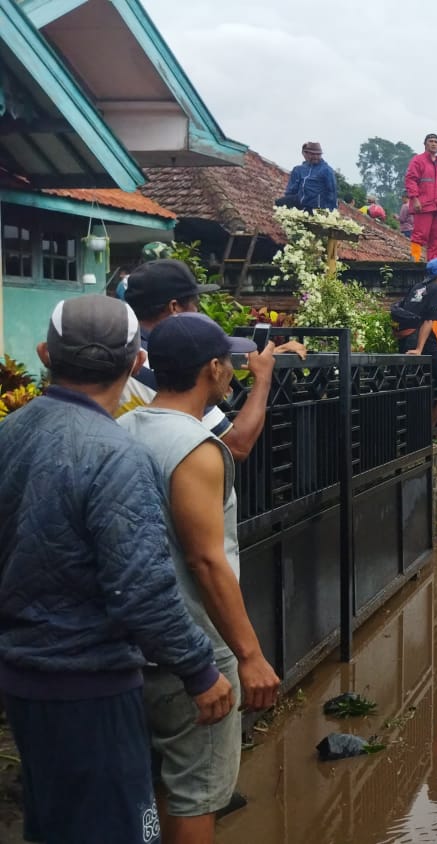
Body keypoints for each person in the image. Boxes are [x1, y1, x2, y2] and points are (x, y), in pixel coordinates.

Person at [0, 296, 233, 844]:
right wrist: (200, 669)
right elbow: (141, 591)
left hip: (22, 679)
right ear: (135, 365)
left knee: (56, 823)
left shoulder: (11, 433)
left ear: (44, 355)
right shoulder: (116, 456)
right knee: (131, 829)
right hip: (92, 685)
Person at [117, 314, 281, 842]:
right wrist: (249, 655)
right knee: (195, 791)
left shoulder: (123, 429)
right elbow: (205, 561)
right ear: (212, 369)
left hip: (127, 641)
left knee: (151, 784)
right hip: (193, 648)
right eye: (229, 362)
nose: (232, 369)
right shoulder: (195, 447)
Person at [123, 259, 306, 461]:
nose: (197, 311)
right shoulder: (150, 366)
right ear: (174, 307)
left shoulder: (126, 345)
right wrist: (263, 378)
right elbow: (236, 445)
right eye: (195, 304)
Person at [395, 258, 437, 435]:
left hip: (405, 338)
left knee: (414, 386)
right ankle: (428, 427)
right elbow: (428, 321)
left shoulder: (418, 287)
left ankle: (412, 431)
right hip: (421, 341)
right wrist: (419, 348)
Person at [404, 133, 437, 262]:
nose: (433, 143)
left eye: (436, 141)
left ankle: (433, 268)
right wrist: (415, 199)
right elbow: (411, 180)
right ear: (425, 144)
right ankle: (415, 261)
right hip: (423, 206)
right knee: (419, 235)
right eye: (430, 141)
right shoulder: (418, 160)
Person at [278, 141, 337, 211]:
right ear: (306, 153)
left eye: (318, 154)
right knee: (279, 203)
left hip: (316, 208)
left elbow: (332, 193)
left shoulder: (327, 170)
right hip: (300, 204)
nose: (315, 157)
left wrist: (330, 211)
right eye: (312, 154)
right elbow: (291, 190)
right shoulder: (300, 169)